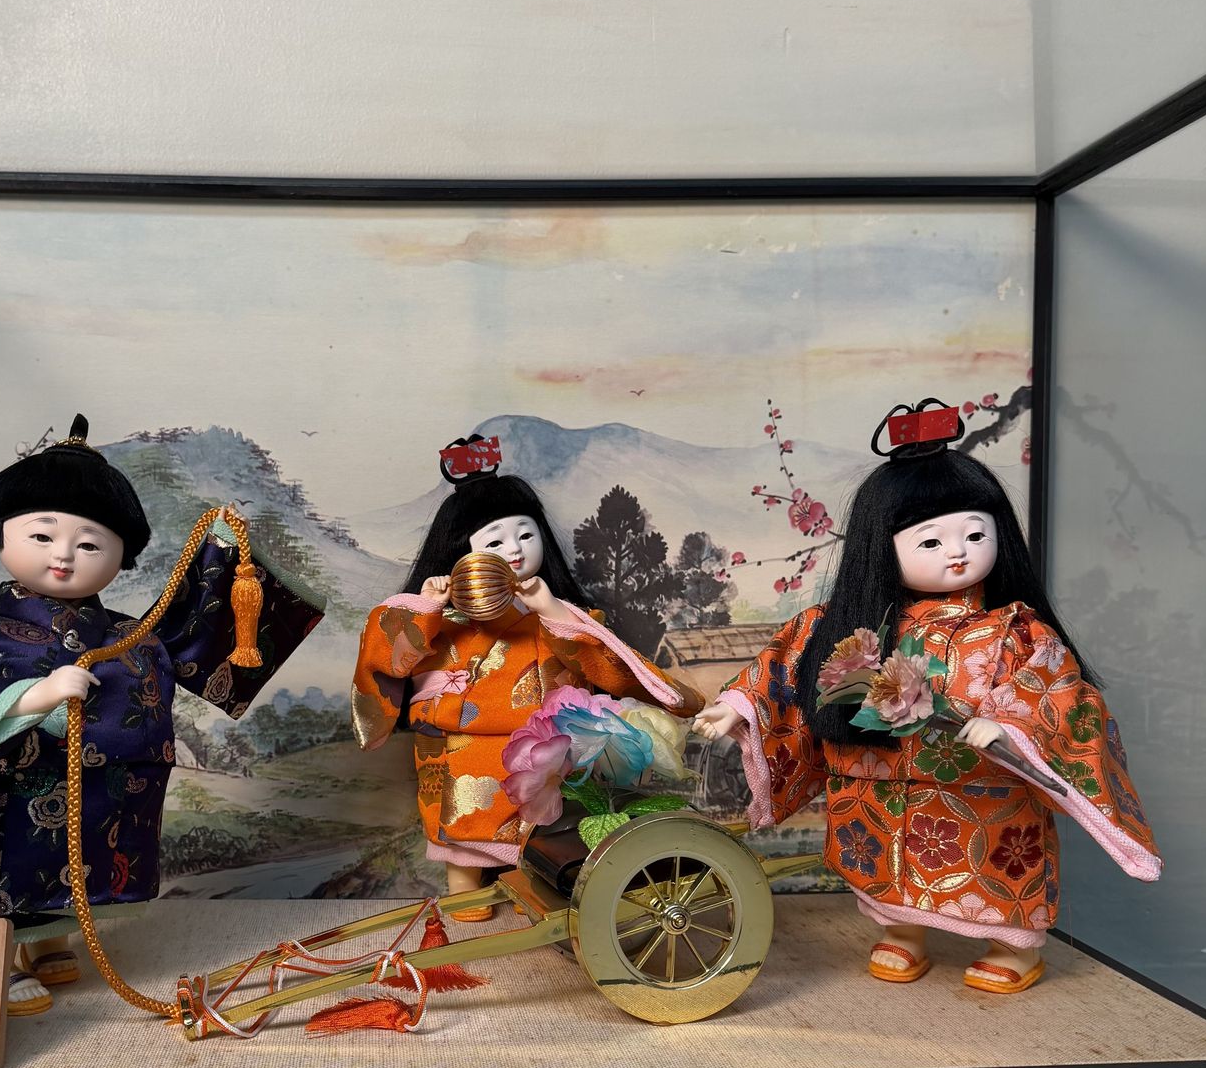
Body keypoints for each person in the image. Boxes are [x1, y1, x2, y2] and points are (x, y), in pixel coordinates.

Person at [0, 415, 323, 1014]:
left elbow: (196, 645)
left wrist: (222, 559)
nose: (65, 555)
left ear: (121, 559)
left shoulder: (130, 636)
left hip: (89, 796)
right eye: (42, 537)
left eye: (90, 543)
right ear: (2, 538)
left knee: (71, 866)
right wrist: (33, 698)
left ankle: (51, 944)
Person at [693, 400, 1160, 993]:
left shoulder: (1016, 631)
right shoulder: (852, 623)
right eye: (931, 542)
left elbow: (1061, 693)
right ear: (881, 546)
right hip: (881, 783)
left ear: (1000, 536)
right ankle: (901, 930)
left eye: (973, 533)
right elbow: (784, 666)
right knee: (886, 858)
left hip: (981, 786)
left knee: (1000, 858)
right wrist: (737, 704)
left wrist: (1008, 724)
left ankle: (1012, 944)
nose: (959, 552)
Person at [352, 435, 703, 918]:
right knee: (464, 831)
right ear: (463, 553)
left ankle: (536, 889)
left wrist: (551, 608)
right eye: (495, 540)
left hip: (541, 743)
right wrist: (426, 608)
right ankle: (466, 894)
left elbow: (603, 663)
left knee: (541, 828)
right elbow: (386, 658)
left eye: (525, 533)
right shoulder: (444, 619)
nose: (514, 550)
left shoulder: (555, 612)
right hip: (461, 745)